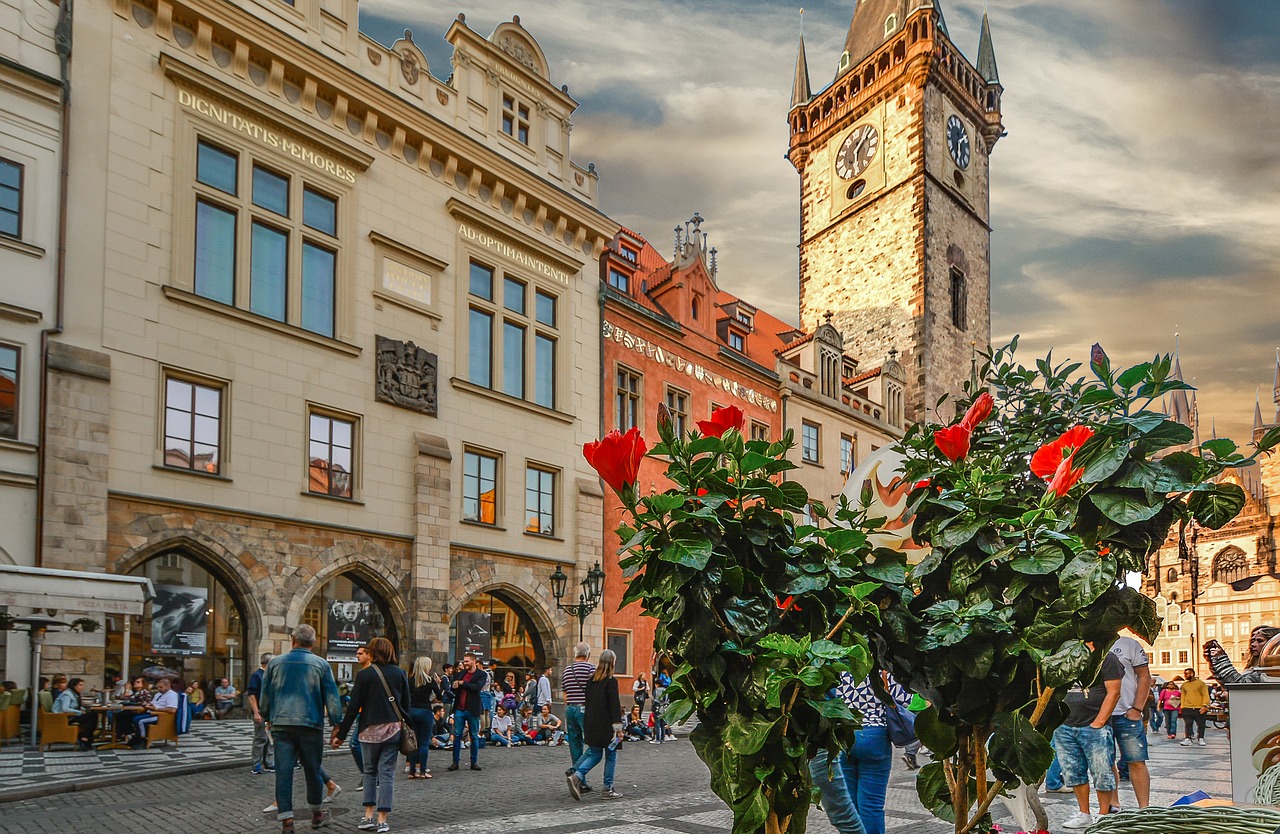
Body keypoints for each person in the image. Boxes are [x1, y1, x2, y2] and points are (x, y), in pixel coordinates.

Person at [260, 624, 342, 833]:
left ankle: (287, 821)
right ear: (313, 643)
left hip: (282, 724)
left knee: (284, 772)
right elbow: (332, 698)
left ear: (293, 639)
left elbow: (265, 697)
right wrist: (336, 724)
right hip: (310, 724)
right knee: (312, 770)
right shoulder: (321, 665)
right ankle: (316, 814)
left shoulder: (275, 664)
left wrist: (268, 717)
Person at [333, 637, 410, 833]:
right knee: (386, 774)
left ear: (373, 652)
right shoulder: (400, 674)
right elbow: (406, 705)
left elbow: (353, 707)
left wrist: (341, 733)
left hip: (368, 730)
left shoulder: (365, 675)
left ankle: (368, 815)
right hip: (393, 729)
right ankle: (382, 819)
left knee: (369, 772)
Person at [835, 671, 912, 834]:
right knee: (872, 805)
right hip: (875, 736)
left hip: (843, 735)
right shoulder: (881, 668)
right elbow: (904, 700)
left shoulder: (840, 664)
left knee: (850, 804)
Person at [1054, 652, 1123, 830]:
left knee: (1102, 772)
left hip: (1095, 726)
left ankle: (1103, 814)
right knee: (1073, 772)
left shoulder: (1106, 657)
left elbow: (1114, 692)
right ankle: (1084, 813)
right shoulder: (1065, 653)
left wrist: (1099, 722)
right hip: (1065, 725)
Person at [567, 649, 624, 800]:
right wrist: (618, 728)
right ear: (612, 662)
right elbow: (614, 705)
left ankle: (577, 775)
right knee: (611, 756)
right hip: (607, 725)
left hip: (592, 723)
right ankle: (607, 789)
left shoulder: (592, 680)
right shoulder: (611, 681)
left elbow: (589, 703)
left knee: (596, 754)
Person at [1108, 634, 1152, 807]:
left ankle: (1144, 807)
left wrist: (1137, 708)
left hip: (1127, 711)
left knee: (1136, 760)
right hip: (1100, 713)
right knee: (1105, 762)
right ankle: (1113, 804)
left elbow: (1144, 676)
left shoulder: (1128, 644)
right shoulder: (1090, 642)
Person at [562, 642, 596, 790]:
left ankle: (580, 783)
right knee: (594, 742)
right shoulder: (591, 669)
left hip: (570, 709)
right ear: (588, 654)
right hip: (584, 709)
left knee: (575, 745)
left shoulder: (567, 670)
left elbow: (565, 695)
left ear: (575, 654)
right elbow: (595, 691)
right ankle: (575, 770)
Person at [447, 651, 488, 772]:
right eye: (464, 661)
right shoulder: (460, 673)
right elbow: (454, 689)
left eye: (467, 661)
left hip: (472, 709)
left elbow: (476, 688)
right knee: (457, 735)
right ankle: (455, 762)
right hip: (460, 708)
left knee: (474, 736)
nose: (464, 663)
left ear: (473, 661)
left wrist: (463, 683)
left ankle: (474, 762)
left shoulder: (481, 674)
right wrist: (454, 686)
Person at [1207, 625, 1280, 684]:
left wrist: (1221, 659)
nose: (1253, 645)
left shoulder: (1271, 670)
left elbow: (1240, 685)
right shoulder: (1254, 667)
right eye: (1252, 641)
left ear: (1273, 644)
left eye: (1259, 641)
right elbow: (1226, 682)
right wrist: (1213, 662)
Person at [407, 656, 440, 779]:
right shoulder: (430, 680)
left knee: (414, 742)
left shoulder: (409, 680)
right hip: (425, 711)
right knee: (424, 743)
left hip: (412, 711)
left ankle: (412, 771)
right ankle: (423, 770)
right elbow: (439, 696)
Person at [130, 677, 179, 749]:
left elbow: (172, 710)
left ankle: (142, 739)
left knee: (138, 720)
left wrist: (157, 709)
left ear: (168, 686)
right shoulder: (158, 694)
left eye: (161, 687)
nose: (159, 689)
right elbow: (153, 703)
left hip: (160, 716)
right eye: (158, 687)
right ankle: (136, 736)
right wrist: (148, 705)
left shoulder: (172, 695)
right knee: (131, 716)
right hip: (151, 712)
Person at [247, 653, 276, 775]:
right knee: (260, 738)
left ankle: (268, 763)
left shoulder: (270, 675)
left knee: (270, 739)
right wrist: (256, 712)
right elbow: (251, 695)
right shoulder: (257, 675)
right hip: (261, 711)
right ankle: (256, 764)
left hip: (271, 712)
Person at [52, 677, 97, 750]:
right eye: (80, 685)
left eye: (82, 685)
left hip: (71, 715)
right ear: (74, 686)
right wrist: (79, 712)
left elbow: (75, 706)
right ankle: (85, 737)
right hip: (63, 718)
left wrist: (83, 710)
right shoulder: (67, 695)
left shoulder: (74, 694)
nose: (82, 687)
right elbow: (65, 708)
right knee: (91, 716)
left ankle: (86, 737)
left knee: (93, 715)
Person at [1178, 667, 1209, 747]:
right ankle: (1188, 738)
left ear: (1192, 674)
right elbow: (1183, 696)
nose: (1185, 675)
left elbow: (1205, 694)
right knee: (1188, 723)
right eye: (1185, 673)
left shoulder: (1201, 683)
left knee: (1201, 724)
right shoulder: (1184, 685)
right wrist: (1182, 706)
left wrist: (1204, 705)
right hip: (1187, 707)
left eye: (1186, 674)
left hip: (1198, 707)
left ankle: (1201, 738)